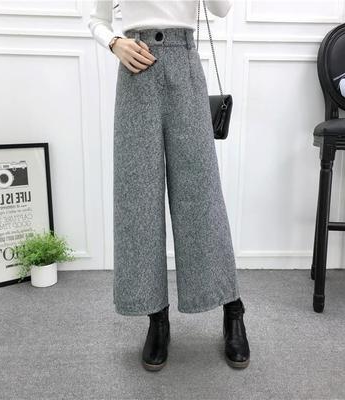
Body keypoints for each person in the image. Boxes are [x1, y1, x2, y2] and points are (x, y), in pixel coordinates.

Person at [87, 0, 250, 371]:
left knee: (201, 194)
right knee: (137, 198)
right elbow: (96, 18)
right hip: (135, 68)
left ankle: (232, 308)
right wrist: (114, 42)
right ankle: (156, 318)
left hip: (184, 63)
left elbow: (222, 10)